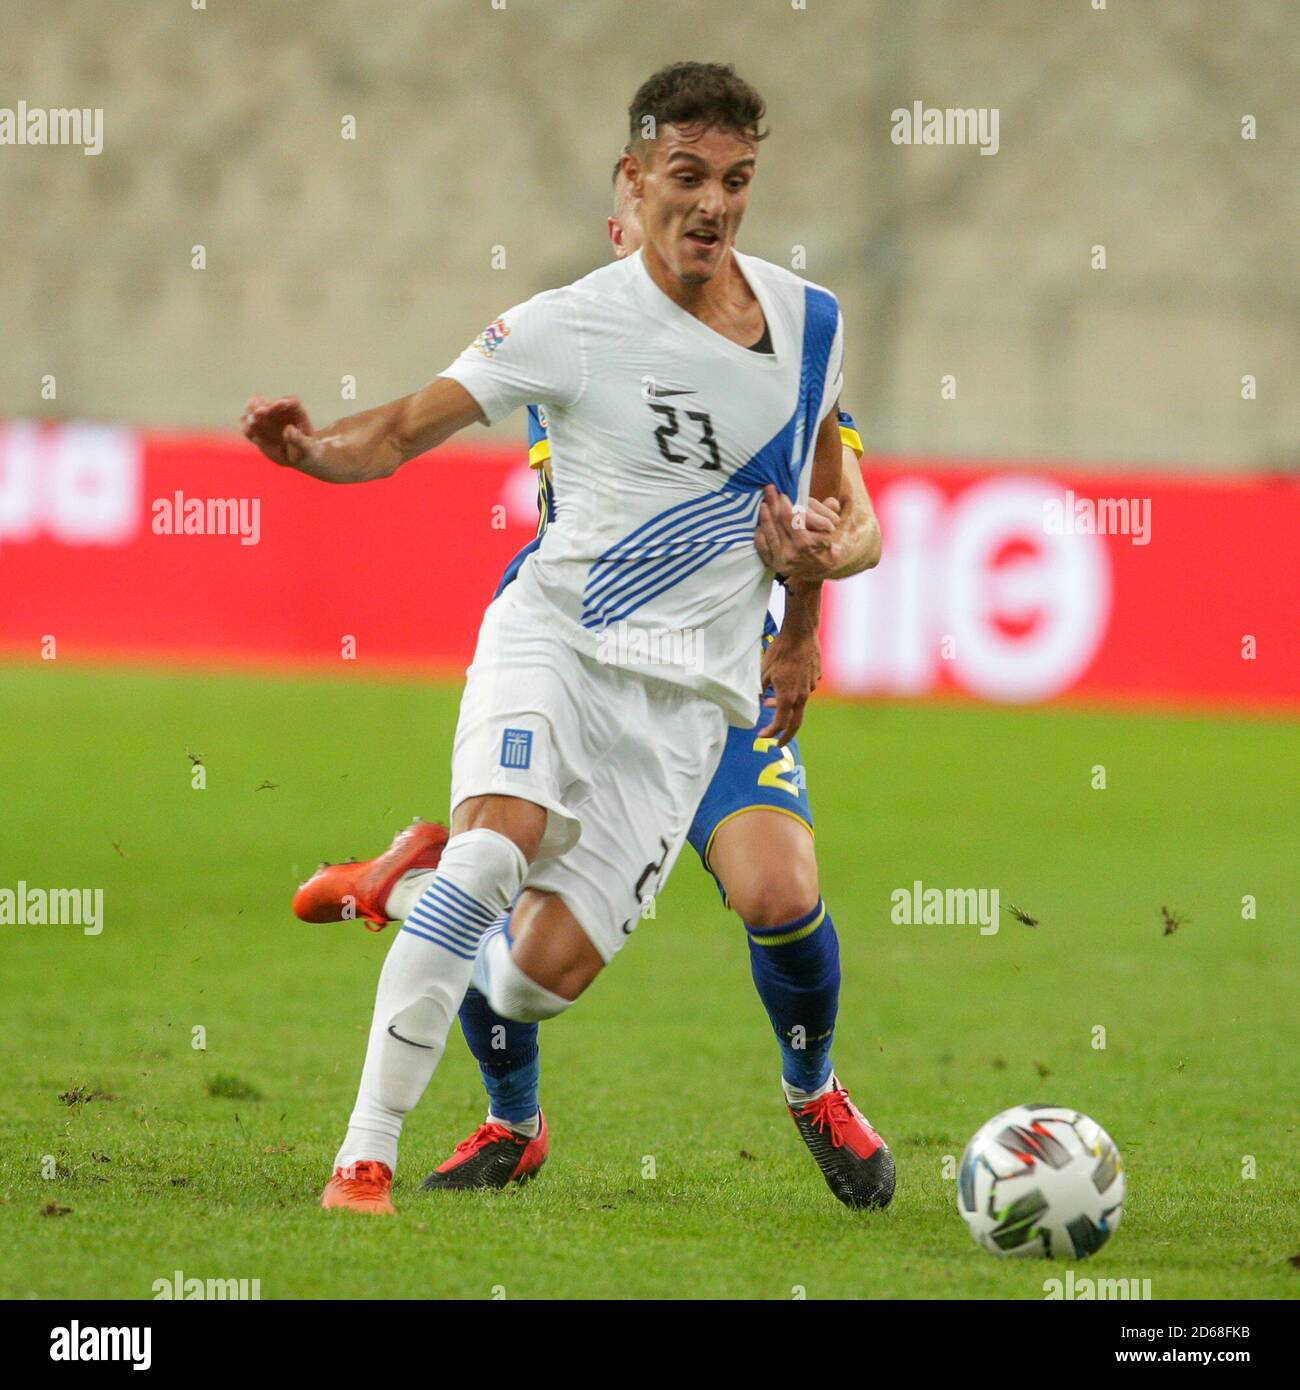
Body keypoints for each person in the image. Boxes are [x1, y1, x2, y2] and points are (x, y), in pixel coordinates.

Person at [243, 61, 889, 1214]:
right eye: (686, 177)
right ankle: (364, 1157)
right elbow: (396, 428)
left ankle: (407, 886)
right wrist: (311, 454)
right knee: (496, 851)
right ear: (632, 186)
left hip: (695, 697)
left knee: (544, 980)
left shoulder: (811, 324)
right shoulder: (568, 326)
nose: (712, 203)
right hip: (560, 638)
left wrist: (799, 628)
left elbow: (826, 507)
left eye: (735, 180)